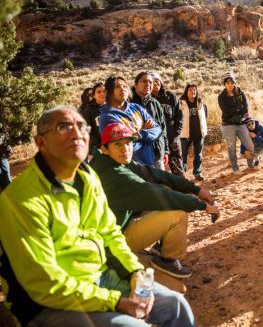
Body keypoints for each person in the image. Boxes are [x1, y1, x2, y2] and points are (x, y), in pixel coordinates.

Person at [0, 105, 195, 327]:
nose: (76, 134)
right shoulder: (22, 200)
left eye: (81, 127)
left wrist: (134, 272)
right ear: (41, 142)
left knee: (176, 304)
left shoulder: (86, 177)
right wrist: (114, 301)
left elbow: (110, 233)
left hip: (100, 277)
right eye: (63, 127)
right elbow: (45, 283)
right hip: (50, 302)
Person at [90, 122, 219, 280]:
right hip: (113, 242)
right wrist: (203, 206)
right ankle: (167, 260)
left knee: (165, 186)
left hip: (116, 225)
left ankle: (160, 249)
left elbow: (157, 174)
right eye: (117, 144)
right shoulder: (114, 175)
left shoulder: (113, 162)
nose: (125, 149)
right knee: (177, 214)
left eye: (128, 142)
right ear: (104, 149)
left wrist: (196, 190)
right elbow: (155, 194)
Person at [99, 75, 162, 166]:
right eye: (117, 86)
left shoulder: (136, 107)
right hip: (130, 166)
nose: (122, 89)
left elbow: (157, 129)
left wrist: (140, 134)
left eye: (124, 86)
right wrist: (145, 133)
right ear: (108, 92)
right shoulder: (107, 117)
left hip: (150, 163)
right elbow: (126, 144)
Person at [131, 71, 168, 171]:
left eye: (150, 82)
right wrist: (142, 128)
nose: (148, 84)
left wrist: (166, 151)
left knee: (161, 185)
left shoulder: (156, 104)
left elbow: (163, 128)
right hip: (137, 155)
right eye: (144, 81)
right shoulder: (128, 104)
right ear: (135, 84)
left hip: (157, 153)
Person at [217, 72, 254, 174]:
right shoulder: (221, 97)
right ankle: (235, 168)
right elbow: (226, 112)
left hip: (241, 123)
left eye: (231, 82)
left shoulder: (241, 93)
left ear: (234, 83)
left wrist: (237, 110)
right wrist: (239, 109)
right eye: (227, 82)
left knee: (249, 144)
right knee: (232, 147)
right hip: (228, 125)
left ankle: (251, 164)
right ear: (225, 84)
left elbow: (245, 109)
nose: (230, 84)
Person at [150, 72, 185, 177]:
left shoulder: (170, 96)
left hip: (171, 136)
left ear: (161, 82)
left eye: (157, 80)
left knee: (176, 163)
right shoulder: (148, 100)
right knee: (158, 164)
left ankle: (182, 185)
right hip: (155, 138)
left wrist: (177, 133)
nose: (156, 83)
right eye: (152, 81)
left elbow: (179, 115)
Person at [180, 83, 208, 180]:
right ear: (186, 92)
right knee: (183, 155)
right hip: (184, 134)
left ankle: (197, 172)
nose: (193, 92)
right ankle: (182, 174)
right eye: (190, 90)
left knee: (198, 154)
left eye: (194, 90)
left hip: (198, 133)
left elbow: (205, 116)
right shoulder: (181, 103)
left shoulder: (201, 103)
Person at [82, 82, 106, 157]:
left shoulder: (112, 107)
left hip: (114, 147)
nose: (102, 94)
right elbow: (87, 132)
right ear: (94, 95)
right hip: (97, 151)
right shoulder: (88, 111)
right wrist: (100, 145)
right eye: (99, 92)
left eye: (104, 91)